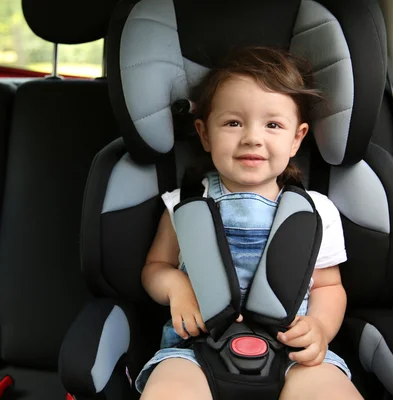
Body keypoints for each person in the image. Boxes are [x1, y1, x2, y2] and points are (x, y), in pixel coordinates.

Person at [135, 46, 363, 400]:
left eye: (273, 124)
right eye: (233, 123)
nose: (252, 137)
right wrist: (176, 286)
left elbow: (327, 287)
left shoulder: (316, 211)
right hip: (196, 348)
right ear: (205, 133)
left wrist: (319, 327)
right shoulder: (184, 204)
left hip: (292, 352)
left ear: (297, 138)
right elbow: (155, 267)